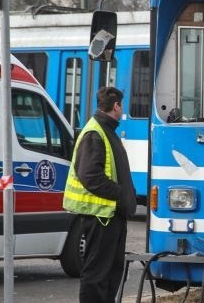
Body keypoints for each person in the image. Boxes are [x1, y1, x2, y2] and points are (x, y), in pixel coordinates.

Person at [63, 87, 137, 303]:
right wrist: (121, 194)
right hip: (102, 216)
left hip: (111, 215)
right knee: (97, 274)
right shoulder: (95, 133)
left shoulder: (105, 130)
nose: (122, 110)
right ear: (116, 106)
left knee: (111, 273)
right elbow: (90, 176)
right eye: (121, 106)